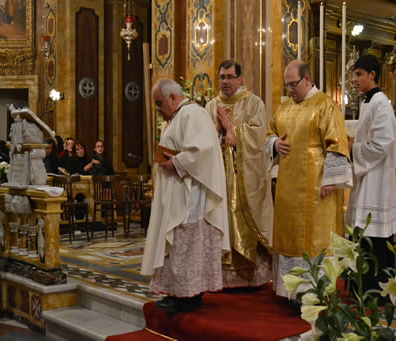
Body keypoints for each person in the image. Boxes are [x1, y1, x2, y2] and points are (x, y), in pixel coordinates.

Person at [141, 78, 230, 312]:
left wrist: (177, 162)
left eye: (160, 103)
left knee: (185, 244)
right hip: (178, 191)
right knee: (179, 246)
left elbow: (204, 151)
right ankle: (179, 293)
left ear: (173, 97)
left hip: (191, 197)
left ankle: (187, 296)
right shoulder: (177, 117)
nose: (158, 109)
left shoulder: (192, 114)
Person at [265, 60, 352, 298]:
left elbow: (337, 143)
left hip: (317, 189)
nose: (289, 90)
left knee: (315, 240)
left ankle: (315, 291)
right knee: (289, 238)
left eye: (293, 84)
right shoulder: (285, 108)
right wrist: (274, 143)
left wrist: (331, 180)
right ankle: (290, 291)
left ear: (306, 79)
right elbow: (270, 132)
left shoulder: (325, 105)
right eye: (286, 86)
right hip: (287, 188)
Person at [205, 60, 273, 288]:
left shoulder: (254, 104)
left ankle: (247, 275)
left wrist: (232, 130)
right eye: (221, 77)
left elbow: (260, 137)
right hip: (217, 177)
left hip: (243, 179)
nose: (225, 82)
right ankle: (220, 276)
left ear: (239, 78)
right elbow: (203, 142)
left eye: (229, 77)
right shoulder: (210, 106)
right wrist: (216, 131)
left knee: (240, 217)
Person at [345, 55, 396, 293]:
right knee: (364, 231)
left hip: (376, 181)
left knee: (374, 235)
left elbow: (381, 144)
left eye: (358, 74)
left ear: (372, 75)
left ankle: (374, 290)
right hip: (367, 177)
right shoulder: (369, 102)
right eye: (354, 74)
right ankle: (361, 287)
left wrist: (352, 148)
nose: (354, 79)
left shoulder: (381, 103)